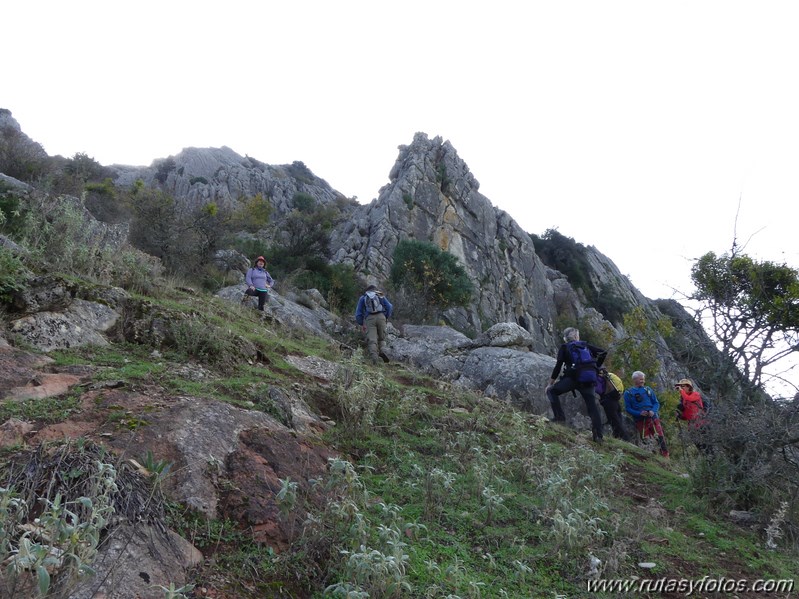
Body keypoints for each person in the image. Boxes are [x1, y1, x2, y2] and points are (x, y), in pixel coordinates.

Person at [545, 327, 607, 443]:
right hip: (588, 379)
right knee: (592, 407)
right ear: (577, 336)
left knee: (552, 391)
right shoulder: (585, 345)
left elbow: (558, 366)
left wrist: (550, 383)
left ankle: (559, 418)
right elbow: (603, 352)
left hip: (572, 379)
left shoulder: (565, 347)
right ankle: (598, 435)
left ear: (565, 338)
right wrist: (596, 367)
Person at [623, 371, 669, 457]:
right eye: (641, 379)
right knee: (646, 439)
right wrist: (639, 413)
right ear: (635, 379)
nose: (643, 381)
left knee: (660, 437)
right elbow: (628, 408)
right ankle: (652, 457)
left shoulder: (648, 390)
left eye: (643, 379)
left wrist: (653, 411)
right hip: (640, 420)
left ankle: (666, 458)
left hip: (653, 417)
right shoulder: (628, 393)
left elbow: (656, 403)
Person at [355, 285, 393, 364]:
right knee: (382, 338)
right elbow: (389, 306)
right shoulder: (379, 295)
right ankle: (383, 351)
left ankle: (375, 360)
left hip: (369, 319)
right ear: (375, 290)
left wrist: (362, 323)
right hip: (381, 317)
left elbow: (358, 314)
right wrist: (385, 316)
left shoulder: (363, 298)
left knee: (372, 340)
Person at [674, 378, 710, 453]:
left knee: (707, 446)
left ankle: (713, 461)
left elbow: (689, 398)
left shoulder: (695, 394)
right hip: (692, 426)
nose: (681, 389)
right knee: (699, 447)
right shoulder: (683, 400)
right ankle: (707, 461)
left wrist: (681, 391)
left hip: (701, 424)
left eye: (683, 386)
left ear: (689, 387)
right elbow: (686, 416)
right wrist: (679, 416)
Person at [596, 367, 631, 441]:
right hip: (616, 401)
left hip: (609, 402)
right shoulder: (610, 376)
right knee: (618, 423)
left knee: (616, 423)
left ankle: (626, 440)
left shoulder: (603, 377)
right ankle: (618, 438)